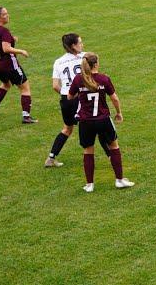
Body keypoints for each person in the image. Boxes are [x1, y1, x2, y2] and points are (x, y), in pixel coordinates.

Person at [68, 53, 134, 192]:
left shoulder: (78, 80)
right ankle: (119, 180)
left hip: (86, 122)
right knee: (114, 147)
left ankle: (89, 185)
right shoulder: (104, 79)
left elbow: (69, 96)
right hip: (103, 119)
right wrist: (119, 113)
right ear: (96, 64)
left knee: (88, 150)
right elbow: (115, 99)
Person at [45, 34, 110, 167]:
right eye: (80, 42)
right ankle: (111, 156)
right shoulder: (85, 57)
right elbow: (95, 74)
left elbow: (55, 86)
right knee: (97, 125)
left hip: (66, 99)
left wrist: (69, 94)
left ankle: (51, 158)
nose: (82, 45)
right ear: (73, 46)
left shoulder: (58, 61)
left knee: (67, 129)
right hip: (83, 98)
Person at [0, 7, 37, 124]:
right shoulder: (4, 31)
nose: (8, 15)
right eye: (5, 14)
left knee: (6, 84)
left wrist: (11, 39)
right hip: (9, 65)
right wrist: (21, 51)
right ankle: (26, 116)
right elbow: (6, 49)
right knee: (25, 88)